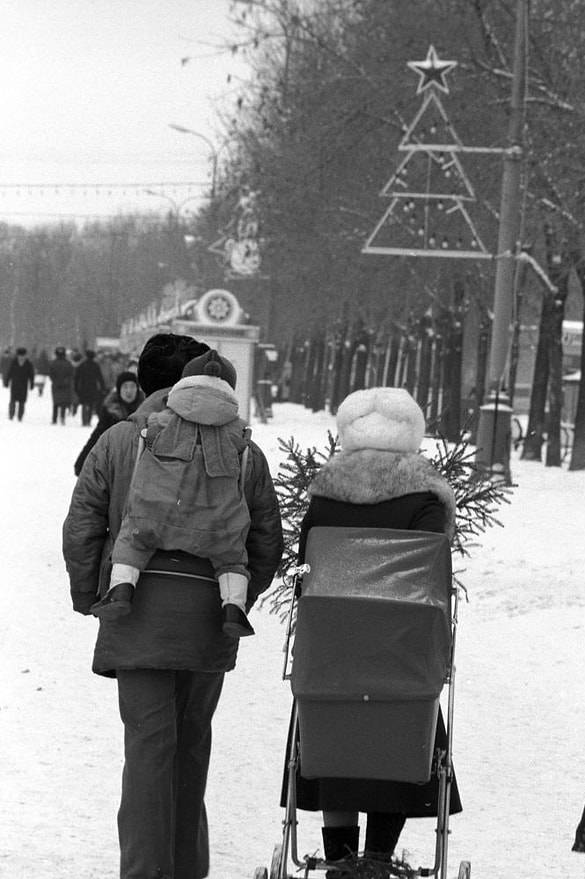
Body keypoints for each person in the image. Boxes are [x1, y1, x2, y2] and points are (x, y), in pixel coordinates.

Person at [62, 332, 284, 879]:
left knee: (147, 748)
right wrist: (236, 600)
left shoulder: (118, 440)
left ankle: (144, 870)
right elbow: (265, 540)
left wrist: (89, 595)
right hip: (210, 614)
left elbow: (82, 525)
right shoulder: (243, 449)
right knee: (191, 746)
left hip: (134, 611)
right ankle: (188, 868)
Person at [289, 387, 462, 873]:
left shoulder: (325, 496)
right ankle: (380, 858)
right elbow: (429, 571)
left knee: (330, 749)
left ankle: (341, 859)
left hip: (331, 648)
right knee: (399, 740)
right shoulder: (426, 497)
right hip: (399, 649)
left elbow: (306, 568)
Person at [93, 349, 254, 639]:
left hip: (157, 513)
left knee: (133, 539)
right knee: (232, 558)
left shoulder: (162, 420)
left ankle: (121, 589)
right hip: (216, 524)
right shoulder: (236, 431)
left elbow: (149, 433)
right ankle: (233, 606)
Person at [74, 371, 145, 476]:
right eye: (125, 387)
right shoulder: (110, 412)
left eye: (132, 386)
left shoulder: (145, 411)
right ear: (119, 390)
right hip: (116, 467)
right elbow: (98, 435)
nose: (129, 391)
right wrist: (82, 461)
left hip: (139, 467)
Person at [74, 350, 106, 426]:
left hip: (83, 387)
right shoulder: (95, 365)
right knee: (91, 405)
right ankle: (88, 420)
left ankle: (84, 420)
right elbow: (100, 377)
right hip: (93, 388)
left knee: (84, 404)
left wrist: (76, 388)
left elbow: (77, 377)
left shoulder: (82, 365)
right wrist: (102, 387)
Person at [3, 347, 34, 421]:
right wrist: (6, 381)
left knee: (22, 402)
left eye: (22, 355)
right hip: (15, 384)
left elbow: (31, 375)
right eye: (20, 355)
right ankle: (11, 415)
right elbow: (9, 372)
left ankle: (20, 416)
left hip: (23, 384)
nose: (21, 357)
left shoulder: (28, 363)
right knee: (13, 400)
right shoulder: (14, 362)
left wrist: (32, 384)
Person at [49, 346, 74, 424]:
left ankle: (54, 418)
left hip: (56, 385)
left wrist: (56, 381)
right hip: (65, 386)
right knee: (63, 402)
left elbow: (51, 374)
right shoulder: (68, 363)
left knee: (56, 402)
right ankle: (62, 417)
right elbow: (71, 374)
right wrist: (65, 381)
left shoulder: (53, 363)